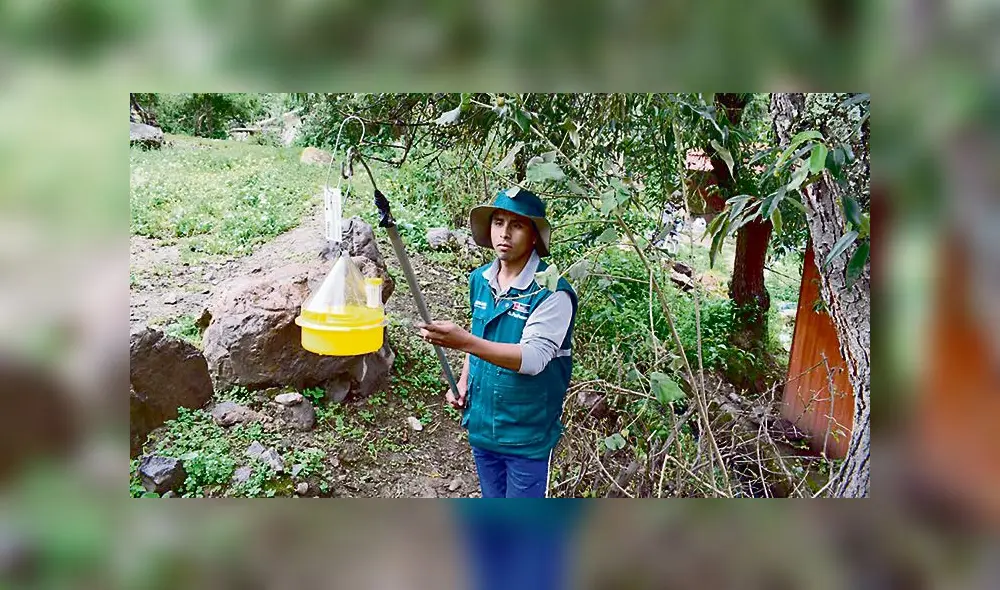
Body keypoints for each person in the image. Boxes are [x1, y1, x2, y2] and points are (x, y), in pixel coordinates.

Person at [417, 188, 577, 499]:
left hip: (526, 436)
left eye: (516, 225)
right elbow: (481, 337)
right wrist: (463, 383)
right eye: (498, 222)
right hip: (483, 427)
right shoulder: (480, 279)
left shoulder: (552, 292)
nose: (504, 233)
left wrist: (463, 341)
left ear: (534, 236)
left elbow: (532, 359)